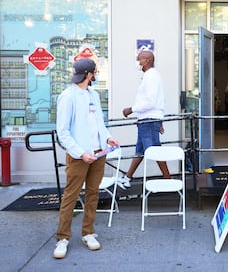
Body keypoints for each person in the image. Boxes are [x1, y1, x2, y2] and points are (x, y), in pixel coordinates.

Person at [54, 58, 119, 259]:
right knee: (71, 196)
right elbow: (62, 132)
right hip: (79, 156)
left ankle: (88, 233)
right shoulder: (68, 96)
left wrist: (108, 137)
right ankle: (62, 238)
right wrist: (81, 153)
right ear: (89, 74)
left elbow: (99, 123)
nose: (96, 75)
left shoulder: (94, 95)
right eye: (95, 72)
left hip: (98, 153)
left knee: (93, 194)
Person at [117, 49, 170, 190]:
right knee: (140, 151)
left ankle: (168, 179)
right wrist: (160, 119)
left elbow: (151, 102)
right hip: (149, 119)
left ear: (147, 60)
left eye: (139, 59)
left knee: (153, 150)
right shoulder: (152, 75)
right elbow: (160, 100)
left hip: (148, 120)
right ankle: (127, 178)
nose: (137, 61)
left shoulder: (150, 76)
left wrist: (131, 109)